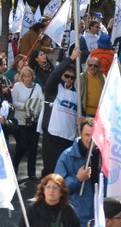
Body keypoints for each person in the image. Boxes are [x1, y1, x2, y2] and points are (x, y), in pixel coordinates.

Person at [40, 46, 81, 178]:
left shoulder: (77, 94)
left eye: (72, 78)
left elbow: (81, 114)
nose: (69, 79)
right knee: (50, 171)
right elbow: (55, 74)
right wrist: (71, 58)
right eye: (66, 76)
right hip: (52, 137)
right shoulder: (53, 89)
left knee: (63, 173)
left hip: (68, 139)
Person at [55, 118, 99, 226]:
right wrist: (77, 179)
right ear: (80, 134)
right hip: (77, 216)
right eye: (87, 135)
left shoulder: (104, 156)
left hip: (100, 215)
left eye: (93, 135)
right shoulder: (67, 156)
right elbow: (57, 188)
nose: (90, 139)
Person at [11, 66, 44, 180]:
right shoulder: (17, 86)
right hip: (21, 120)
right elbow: (14, 102)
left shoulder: (37, 87)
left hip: (34, 120)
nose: (27, 79)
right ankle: (15, 165)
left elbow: (41, 100)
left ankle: (32, 172)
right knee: (23, 145)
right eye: (25, 76)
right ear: (22, 77)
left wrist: (35, 108)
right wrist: (25, 106)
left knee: (33, 147)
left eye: (29, 76)